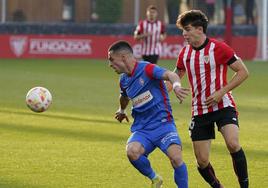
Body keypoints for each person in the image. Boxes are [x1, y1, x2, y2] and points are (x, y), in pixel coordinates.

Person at [174, 10, 249, 188]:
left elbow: (243, 72)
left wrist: (221, 92)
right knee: (202, 161)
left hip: (223, 105)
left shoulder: (219, 48)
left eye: (187, 29)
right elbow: (176, 75)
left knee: (232, 143)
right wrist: (173, 87)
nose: (184, 34)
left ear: (199, 29)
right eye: (183, 30)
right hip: (199, 110)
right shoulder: (184, 54)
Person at [108, 40, 190, 188]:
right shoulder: (123, 80)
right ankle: (155, 178)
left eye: (112, 60)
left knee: (176, 158)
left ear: (124, 57)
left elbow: (171, 75)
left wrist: (177, 86)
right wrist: (121, 110)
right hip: (143, 129)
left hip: (163, 124)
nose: (110, 64)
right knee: (132, 152)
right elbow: (124, 96)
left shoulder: (147, 68)